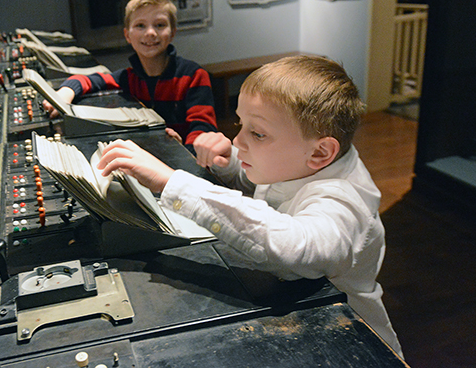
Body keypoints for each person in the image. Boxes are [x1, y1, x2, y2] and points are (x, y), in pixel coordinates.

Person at [96, 55, 404, 359]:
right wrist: (230, 161)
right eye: (240, 124)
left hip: (350, 342)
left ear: (321, 152)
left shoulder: (344, 199)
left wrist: (172, 183)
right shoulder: (301, 162)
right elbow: (265, 185)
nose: (237, 139)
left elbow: (294, 244)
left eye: (256, 133)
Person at [42, 0, 218, 150]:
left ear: (172, 33)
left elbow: (203, 131)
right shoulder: (128, 77)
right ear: (127, 35)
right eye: (140, 25)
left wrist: (184, 153)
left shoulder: (194, 76)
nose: (150, 32)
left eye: (159, 25)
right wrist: (65, 93)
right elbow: (90, 80)